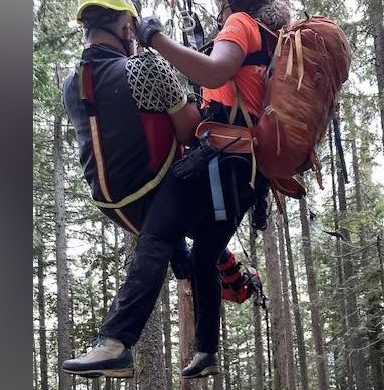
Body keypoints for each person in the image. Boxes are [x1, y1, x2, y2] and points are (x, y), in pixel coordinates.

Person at [61, 0, 288, 380]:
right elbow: (188, 125)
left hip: (209, 166)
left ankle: (116, 342)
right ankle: (207, 351)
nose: (217, 21)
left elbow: (213, 76)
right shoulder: (253, 35)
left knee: (160, 237)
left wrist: (159, 39)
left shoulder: (72, 84)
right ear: (126, 27)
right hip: (245, 168)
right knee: (203, 254)